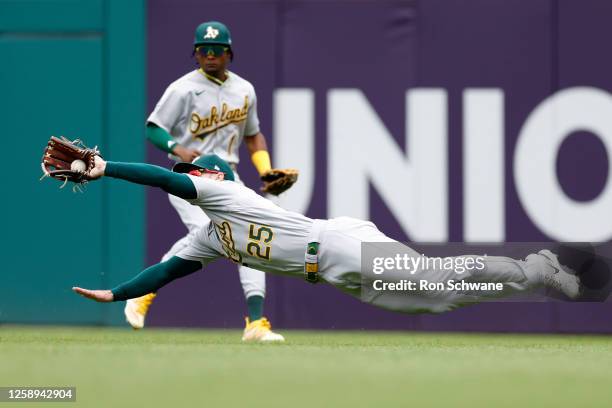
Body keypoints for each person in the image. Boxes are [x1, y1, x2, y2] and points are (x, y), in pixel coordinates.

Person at [72, 154, 583, 315]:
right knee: (438, 301)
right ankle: (535, 276)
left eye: (194, 171)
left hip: (339, 244)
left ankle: (537, 268)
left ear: (212, 177)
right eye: (189, 172)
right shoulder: (210, 234)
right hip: (334, 272)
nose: (187, 174)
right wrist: (116, 293)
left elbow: (163, 178)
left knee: (433, 276)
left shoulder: (223, 193)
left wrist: (104, 168)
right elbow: (168, 271)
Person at [135, 21, 289, 341]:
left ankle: (256, 323)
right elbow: (153, 127)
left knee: (252, 238)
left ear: (229, 53)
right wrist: (175, 147)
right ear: (195, 53)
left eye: (217, 50)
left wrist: (265, 170)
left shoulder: (244, 89)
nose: (210, 56)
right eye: (203, 50)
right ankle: (143, 291)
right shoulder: (182, 88)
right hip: (189, 177)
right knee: (203, 234)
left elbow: (253, 135)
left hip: (229, 177)